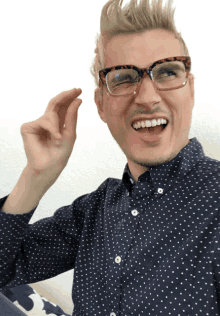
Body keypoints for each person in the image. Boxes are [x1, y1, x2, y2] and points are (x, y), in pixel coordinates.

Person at [0, 0, 220, 315]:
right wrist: (35, 176)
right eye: (123, 77)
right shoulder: (95, 209)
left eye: (168, 71)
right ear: (101, 105)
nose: (147, 97)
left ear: (191, 89)